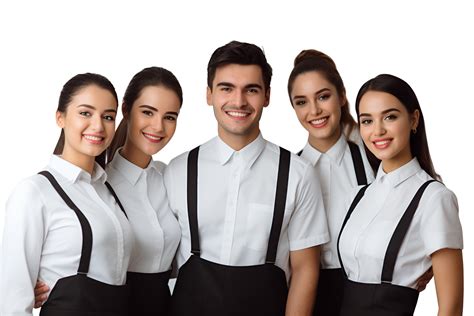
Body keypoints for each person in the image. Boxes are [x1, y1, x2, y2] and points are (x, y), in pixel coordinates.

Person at [165, 41, 329, 316]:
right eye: (226, 88)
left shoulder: (298, 174)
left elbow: (305, 269)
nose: (238, 101)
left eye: (251, 90)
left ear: (266, 96)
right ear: (209, 94)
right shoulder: (177, 170)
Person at [33, 66, 183, 315]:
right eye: (147, 112)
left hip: (164, 305)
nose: (158, 126)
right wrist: (38, 280)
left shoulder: (171, 177)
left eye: (170, 116)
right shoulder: (96, 184)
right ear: (125, 110)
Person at [0, 73, 133, 316]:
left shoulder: (107, 189)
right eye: (85, 113)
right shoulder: (34, 192)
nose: (98, 125)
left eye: (108, 116)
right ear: (60, 117)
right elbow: (12, 304)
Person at [337, 74, 463, 316]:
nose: (378, 131)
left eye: (390, 117)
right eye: (367, 121)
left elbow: (451, 308)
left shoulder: (434, 198)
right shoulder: (356, 196)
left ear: (414, 119)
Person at [287, 49, 375, 315]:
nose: (314, 111)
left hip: (367, 292)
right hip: (303, 296)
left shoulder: (374, 159)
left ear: (342, 96)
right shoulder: (286, 171)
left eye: (323, 96)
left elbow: (422, 203)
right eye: (301, 102)